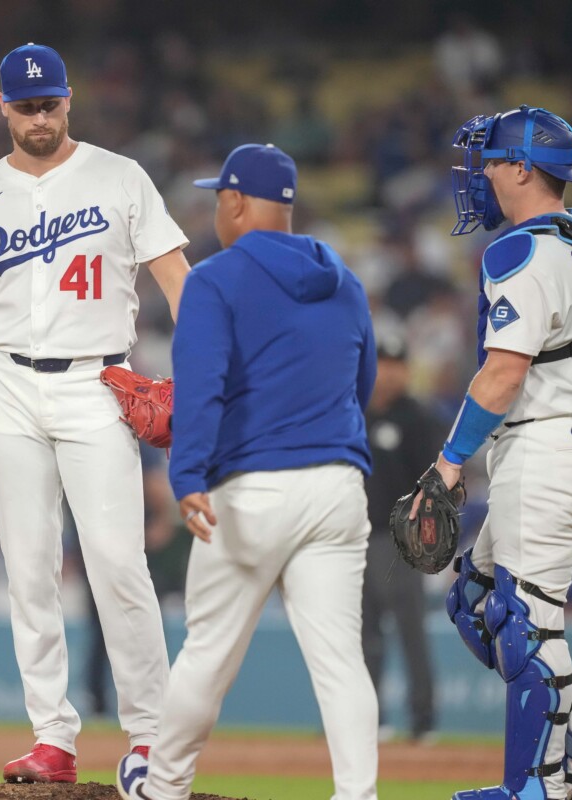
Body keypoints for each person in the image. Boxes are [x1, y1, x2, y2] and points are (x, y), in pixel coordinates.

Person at [0, 42, 190, 783]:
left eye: (51, 102)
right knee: (29, 569)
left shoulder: (119, 176)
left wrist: (203, 370)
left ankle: (148, 735)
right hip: (7, 381)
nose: (40, 116)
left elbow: (178, 279)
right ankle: (53, 738)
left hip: (97, 379)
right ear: (1, 106)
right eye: (27, 104)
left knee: (116, 561)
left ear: (68, 100)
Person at [117, 143, 379, 800]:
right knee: (342, 663)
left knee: (207, 654)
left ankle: (165, 787)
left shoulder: (214, 279)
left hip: (253, 490)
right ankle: (359, 795)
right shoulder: (344, 280)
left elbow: (201, 389)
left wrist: (187, 476)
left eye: (217, 198)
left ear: (234, 201)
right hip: (338, 487)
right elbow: (363, 381)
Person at [431, 106, 572, 800]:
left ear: (521, 168)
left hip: (546, 447)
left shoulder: (516, 251)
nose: (480, 174)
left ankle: (534, 788)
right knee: (474, 600)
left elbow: (503, 372)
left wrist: (451, 459)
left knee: (522, 627)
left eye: (489, 161)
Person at [361, 332, 438, 742]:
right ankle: (370, 719)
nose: (388, 374)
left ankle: (423, 721)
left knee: (412, 634)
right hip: (356, 538)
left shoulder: (417, 418)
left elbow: (433, 486)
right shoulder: (356, 412)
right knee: (364, 636)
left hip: (402, 542)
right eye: (382, 365)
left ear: (406, 371)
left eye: (395, 366)